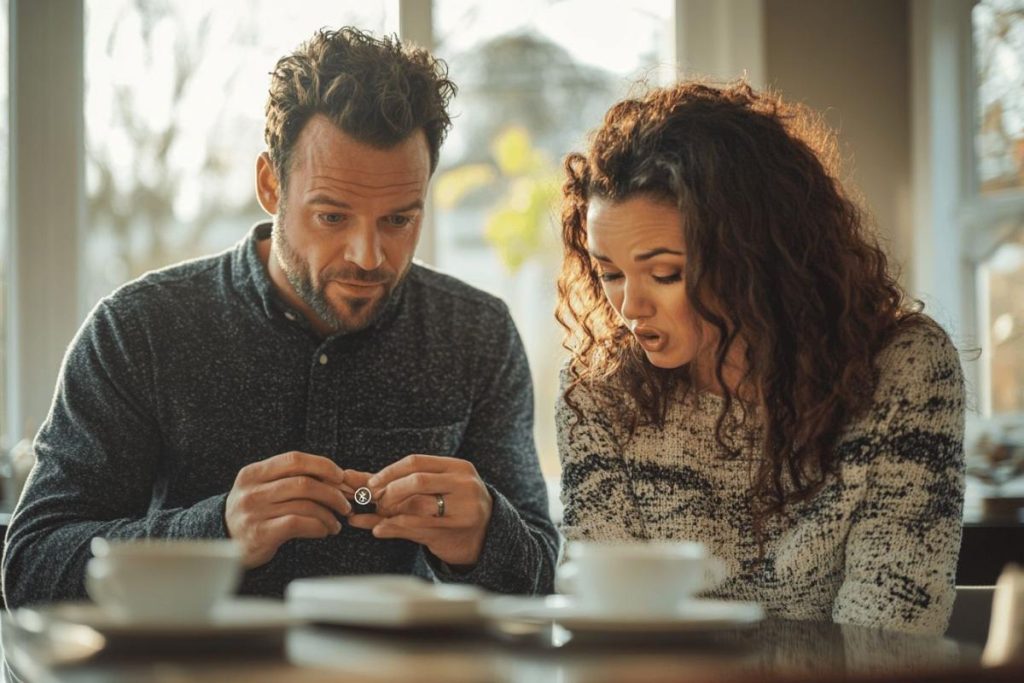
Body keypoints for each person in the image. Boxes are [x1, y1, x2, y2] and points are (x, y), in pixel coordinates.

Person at [2, 27, 557, 608]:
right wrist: (216, 532)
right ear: (271, 184)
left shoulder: (477, 335)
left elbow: (539, 578)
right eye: (333, 217)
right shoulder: (139, 330)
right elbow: (32, 568)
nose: (368, 256)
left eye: (398, 221)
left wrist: (485, 534)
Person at [555, 81, 965, 635]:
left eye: (666, 273)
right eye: (609, 273)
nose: (630, 305)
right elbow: (610, 624)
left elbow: (890, 636)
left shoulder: (903, 368)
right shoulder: (599, 392)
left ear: (755, 256)